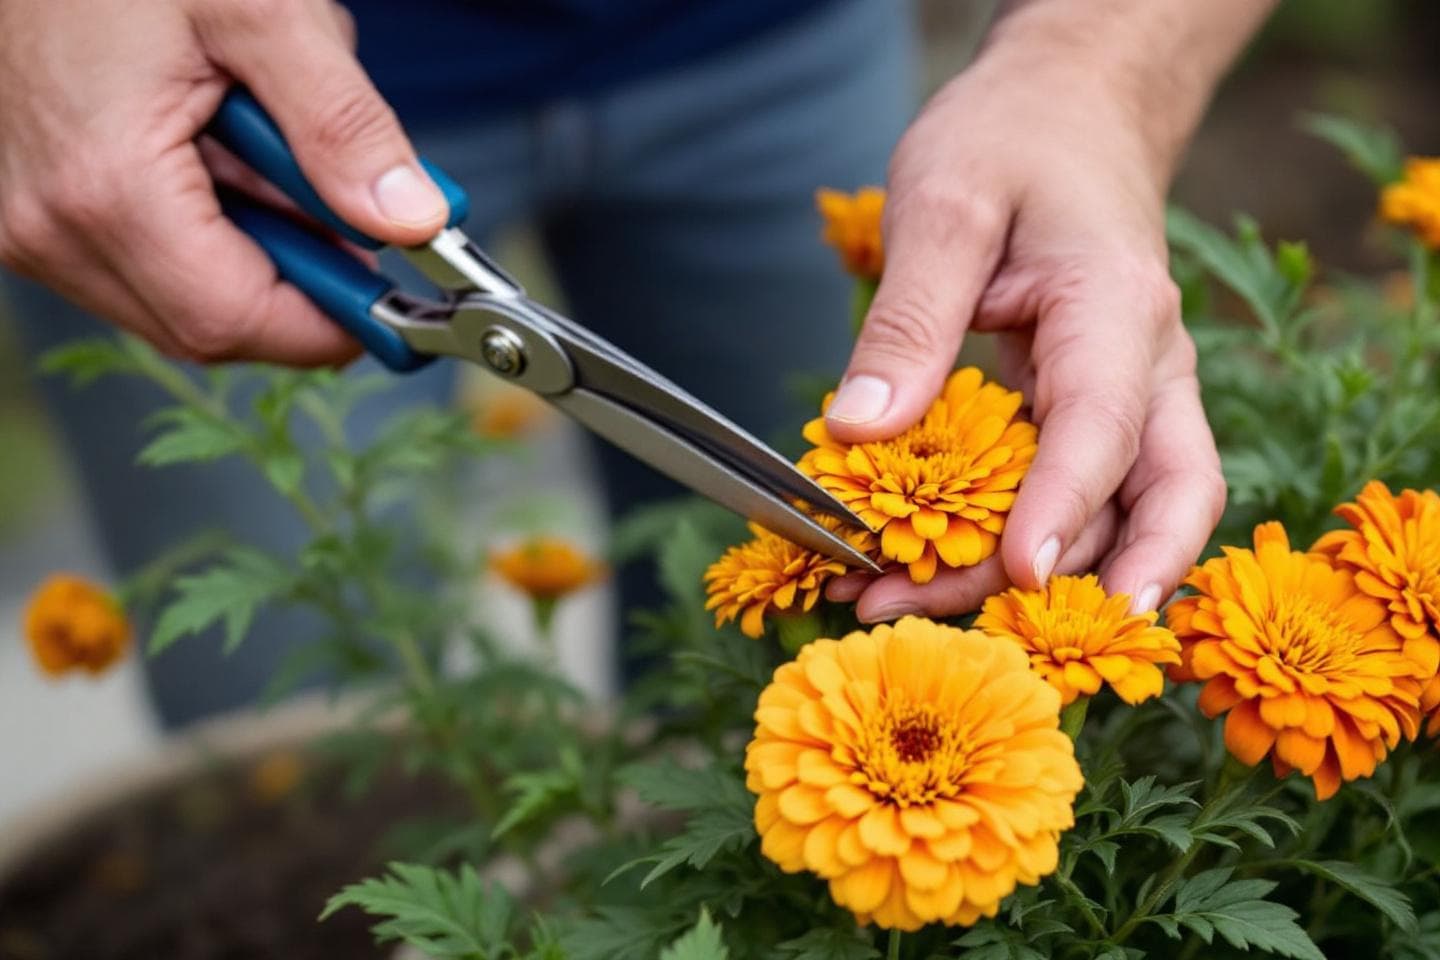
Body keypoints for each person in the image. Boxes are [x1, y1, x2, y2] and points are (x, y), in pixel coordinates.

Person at [0, 0, 1267, 722]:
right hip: (211, 73)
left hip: (784, 44)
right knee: (299, 730)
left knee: (786, 678)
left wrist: (1088, 69)